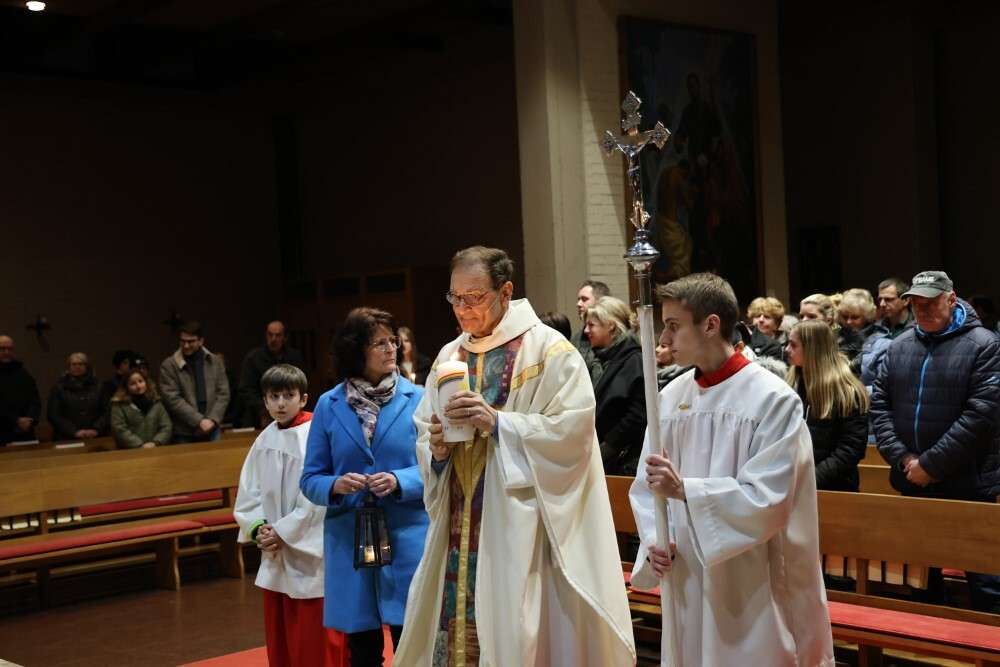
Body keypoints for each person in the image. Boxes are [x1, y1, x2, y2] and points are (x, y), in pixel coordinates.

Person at [395, 247, 635, 667]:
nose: (462, 308)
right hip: (458, 524)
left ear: (505, 292)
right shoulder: (449, 357)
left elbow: (574, 434)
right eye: (454, 297)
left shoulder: (549, 351)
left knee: (515, 635)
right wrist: (436, 450)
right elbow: (424, 432)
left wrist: (499, 423)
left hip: (521, 528)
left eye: (474, 297)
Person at [630, 272, 833, 666]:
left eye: (673, 326)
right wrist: (657, 539)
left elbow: (768, 500)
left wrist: (686, 490)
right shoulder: (669, 398)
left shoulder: (772, 400)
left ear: (710, 325)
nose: (663, 339)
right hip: (687, 576)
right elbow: (647, 486)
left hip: (752, 579)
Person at [300, 307, 428, 666]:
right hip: (350, 538)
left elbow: (438, 465)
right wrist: (336, 485)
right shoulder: (328, 405)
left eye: (393, 341)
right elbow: (310, 479)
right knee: (362, 652)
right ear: (356, 350)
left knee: (411, 646)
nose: (391, 349)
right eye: (379, 343)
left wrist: (401, 480)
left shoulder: (418, 398)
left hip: (406, 534)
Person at [871, 270, 1000, 612]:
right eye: (916, 304)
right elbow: (880, 407)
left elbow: (982, 416)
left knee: (987, 586)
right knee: (921, 584)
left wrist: (930, 465)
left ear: (951, 300)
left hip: (968, 484)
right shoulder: (899, 346)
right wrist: (904, 459)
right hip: (912, 481)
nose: (922, 310)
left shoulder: (984, 345)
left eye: (930, 303)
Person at [235, 364, 349, 667]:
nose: (281, 403)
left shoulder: (315, 435)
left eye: (289, 395)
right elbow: (249, 491)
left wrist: (282, 531)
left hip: (308, 552)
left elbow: (318, 496)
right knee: (282, 638)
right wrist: (259, 528)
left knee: (312, 639)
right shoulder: (264, 439)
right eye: (274, 397)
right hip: (275, 550)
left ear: (304, 398)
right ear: (264, 401)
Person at [785, 320, 869, 491]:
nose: (786, 349)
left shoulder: (848, 392)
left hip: (833, 488)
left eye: (793, 345)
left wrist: (811, 480)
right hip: (792, 486)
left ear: (813, 349)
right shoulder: (789, 385)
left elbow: (850, 450)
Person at [584, 296, 646, 476]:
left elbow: (636, 417)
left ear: (610, 326)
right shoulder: (600, 360)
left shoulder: (635, 360)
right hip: (598, 454)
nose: (586, 330)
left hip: (621, 461)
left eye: (591, 325)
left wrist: (604, 451)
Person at [159, 321, 230, 443]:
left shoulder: (214, 362)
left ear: (201, 341)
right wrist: (199, 421)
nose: (186, 345)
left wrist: (212, 420)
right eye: (182, 341)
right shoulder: (169, 365)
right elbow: (171, 398)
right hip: (183, 432)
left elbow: (223, 393)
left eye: (190, 341)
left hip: (212, 428)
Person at [240, 321, 307, 429]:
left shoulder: (294, 356)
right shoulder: (253, 358)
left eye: (278, 335)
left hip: (293, 414)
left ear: (285, 337)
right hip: (261, 415)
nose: (273, 339)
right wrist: (263, 410)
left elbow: (302, 385)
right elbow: (247, 389)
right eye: (270, 335)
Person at [47, 352, 110, 441]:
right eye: (74, 364)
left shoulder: (99, 386)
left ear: (87, 367)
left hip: (95, 435)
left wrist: (96, 429)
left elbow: (107, 411)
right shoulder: (59, 387)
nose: (77, 366)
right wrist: (73, 431)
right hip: (67, 437)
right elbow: (53, 414)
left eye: (81, 364)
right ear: (68, 368)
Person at [837, 288, 891, 391]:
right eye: (844, 317)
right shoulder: (834, 339)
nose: (848, 322)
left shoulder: (883, 345)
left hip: (865, 398)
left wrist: (855, 393)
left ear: (867, 317)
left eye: (855, 317)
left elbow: (884, 386)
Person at [800, 292, 864, 373]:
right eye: (801, 316)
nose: (803, 321)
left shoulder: (848, 340)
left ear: (828, 320)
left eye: (811, 316)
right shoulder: (798, 341)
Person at [110, 368, 172, 449]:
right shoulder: (120, 405)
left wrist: (156, 442)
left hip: (156, 448)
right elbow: (119, 429)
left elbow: (166, 426)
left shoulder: (156, 402)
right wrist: (140, 445)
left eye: (140, 381)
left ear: (146, 382)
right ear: (126, 387)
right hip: (130, 451)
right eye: (133, 384)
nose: (138, 386)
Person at [0, 335, 41, 445]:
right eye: (2, 349)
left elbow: (34, 399)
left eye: (10, 349)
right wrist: (16, 420)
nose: (6, 352)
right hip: (3, 430)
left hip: (25, 430)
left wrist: (30, 420)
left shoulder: (21, 371)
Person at [570, 279, 611, 382]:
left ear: (600, 302)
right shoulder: (575, 339)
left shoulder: (613, 337)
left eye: (584, 299)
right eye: (578, 299)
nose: (578, 304)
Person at [745, 296, 786, 360]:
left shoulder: (787, 347)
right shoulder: (743, 343)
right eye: (757, 316)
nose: (761, 320)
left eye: (767, 317)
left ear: (777, 324)